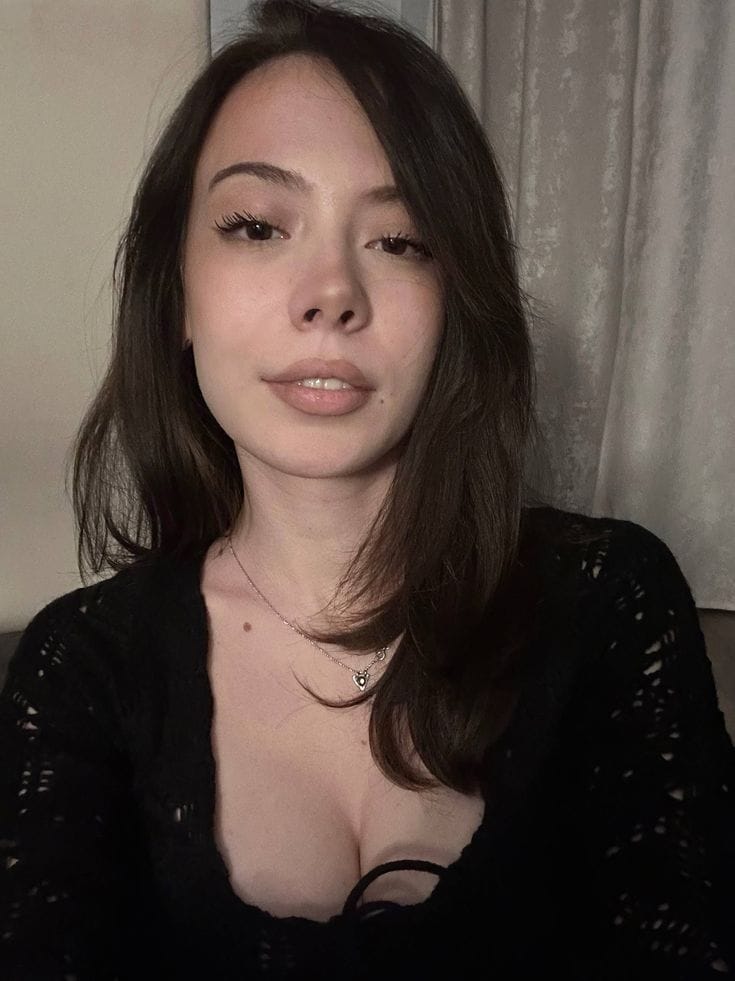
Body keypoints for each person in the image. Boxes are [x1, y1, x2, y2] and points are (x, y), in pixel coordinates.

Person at [1, 0, 734, 977]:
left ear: (455, 301)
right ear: (176, 293)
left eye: (400, 240)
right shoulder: (79, 670)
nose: (331, 294)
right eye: (257, 226)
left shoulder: (610, 603)